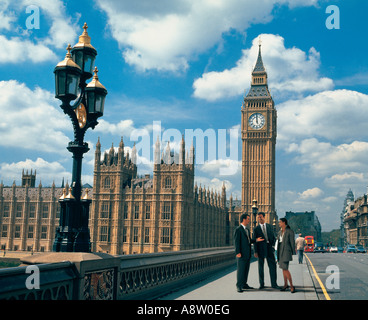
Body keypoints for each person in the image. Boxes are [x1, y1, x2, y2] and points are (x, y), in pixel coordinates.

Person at [234, 213, 264, 292]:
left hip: (247, 253)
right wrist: (238, 252)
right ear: (243, 219)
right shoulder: (238, 229)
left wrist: (256, 240)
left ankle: (244, 284)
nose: (249, 220)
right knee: (240, 270)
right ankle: (239, 286)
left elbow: (249, 241)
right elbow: (237, 242)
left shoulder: (246, 230)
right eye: (248, 219)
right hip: (241, 254)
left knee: (246, 270)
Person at [253, 212, 279, 289]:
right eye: (258, 217)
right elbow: (255, 241)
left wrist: (273, 245)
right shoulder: (256, 229)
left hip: (269, 248)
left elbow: (273, 237)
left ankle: (274, 284)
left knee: (272, 266)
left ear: (264, 217)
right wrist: (255, 251)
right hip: (260, 249)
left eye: (261, 217)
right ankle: (261, 284)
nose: (259, 219)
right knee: (261, 268)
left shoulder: (270, 226)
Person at [277, 217, 296, 293]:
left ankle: (291, 286)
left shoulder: (290, 231)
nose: (279, 223)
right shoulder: (279, 232)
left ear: (284, 223)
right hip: (280, 252)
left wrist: (292, 252)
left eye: (280, 222)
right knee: (283, 268)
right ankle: (285, 284)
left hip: (286, 252)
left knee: (285, 268)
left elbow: (292, 242)